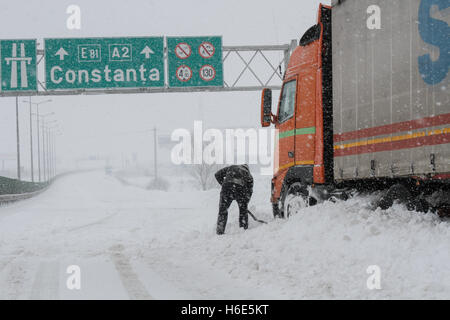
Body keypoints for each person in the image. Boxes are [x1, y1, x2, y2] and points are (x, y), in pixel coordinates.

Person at [215, 164, 254, 235]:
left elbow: (217, 175)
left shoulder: (231, 167)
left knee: (222, 210)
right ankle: (243, 230)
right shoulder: (249, 175)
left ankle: (220, 231)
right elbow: (250, 191)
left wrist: (224, 184)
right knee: (243, 211)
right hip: (240, 190)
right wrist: (245, 204)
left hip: (226, 189)